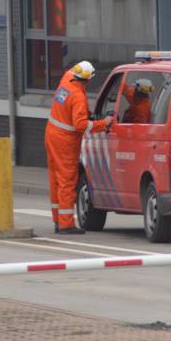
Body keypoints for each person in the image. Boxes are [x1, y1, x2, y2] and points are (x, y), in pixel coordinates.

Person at [45, 61, 112, 234]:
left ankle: (58, 220)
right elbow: (80, 125)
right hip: (65, 141)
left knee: (55, 178)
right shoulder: (78, 97)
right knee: (67, 180)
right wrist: (103, 123)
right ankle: (66, 224)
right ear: (87, 80)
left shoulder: (66, 78)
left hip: (52, 133)